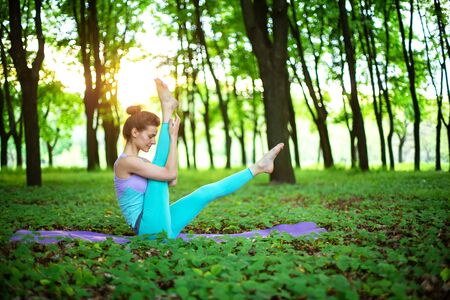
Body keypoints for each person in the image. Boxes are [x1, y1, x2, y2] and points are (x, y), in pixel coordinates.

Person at [113, 78, 285, 240]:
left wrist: (172, 146)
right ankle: (167, 108)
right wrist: (172, 140)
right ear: (135, 132)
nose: (153, 141)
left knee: (204, 193)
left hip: (160, 224)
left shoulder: (142, 163)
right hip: (148, 229)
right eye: (151, 136)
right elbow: (169, 174)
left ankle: (258, 167)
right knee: (161, 168)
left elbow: (172, 180)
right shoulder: (125, 163)